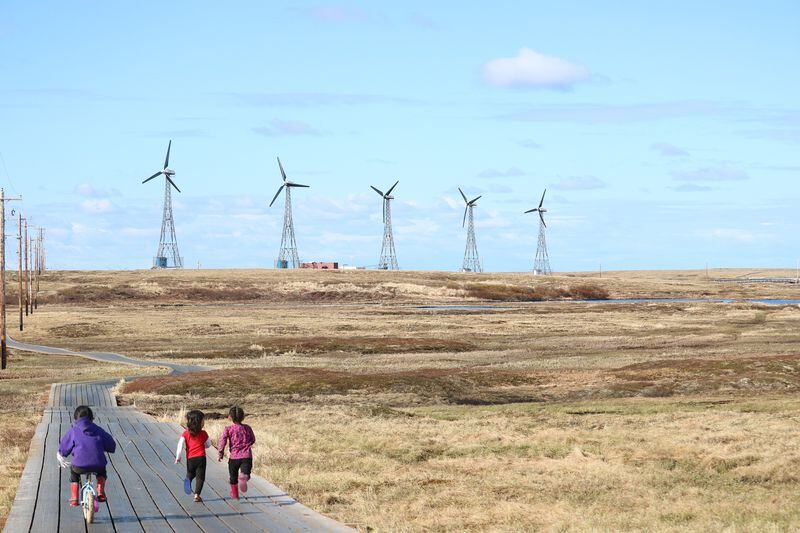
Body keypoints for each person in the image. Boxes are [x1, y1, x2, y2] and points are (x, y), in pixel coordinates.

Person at [57, 405, 117, 506]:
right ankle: (100, 491)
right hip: (98, 465)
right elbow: (111, 445)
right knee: (102, 471)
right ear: (91, 418)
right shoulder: (99, 430)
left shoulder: (74, 431)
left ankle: (74, 497)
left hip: (79, 466)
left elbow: (64, 447)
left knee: (74, 473)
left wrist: (61, 453)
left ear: (76, 418)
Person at [217, 406, 256, 499]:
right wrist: (247, 444)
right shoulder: (247, 428)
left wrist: (220, 452)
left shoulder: (228, 429)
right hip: (246, 456)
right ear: (243, 417)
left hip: (234, 457)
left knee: (233, 477)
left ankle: (235, 494)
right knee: (246, 472)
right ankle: (244, 477)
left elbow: (222, 440)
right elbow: (253, 439)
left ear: (230, 417)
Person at [175, 409, 211, 503]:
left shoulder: (186, 433)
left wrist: (178, 456)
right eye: (203, 420)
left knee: (190, 473)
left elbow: (180, 444)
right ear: (199, 422)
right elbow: (208, 445)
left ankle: (188, 480)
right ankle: (196, 495)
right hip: (201, 458)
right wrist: (203, 445)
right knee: (200, 477)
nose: (204, 422)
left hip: (190, 458)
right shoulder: (203, 433)